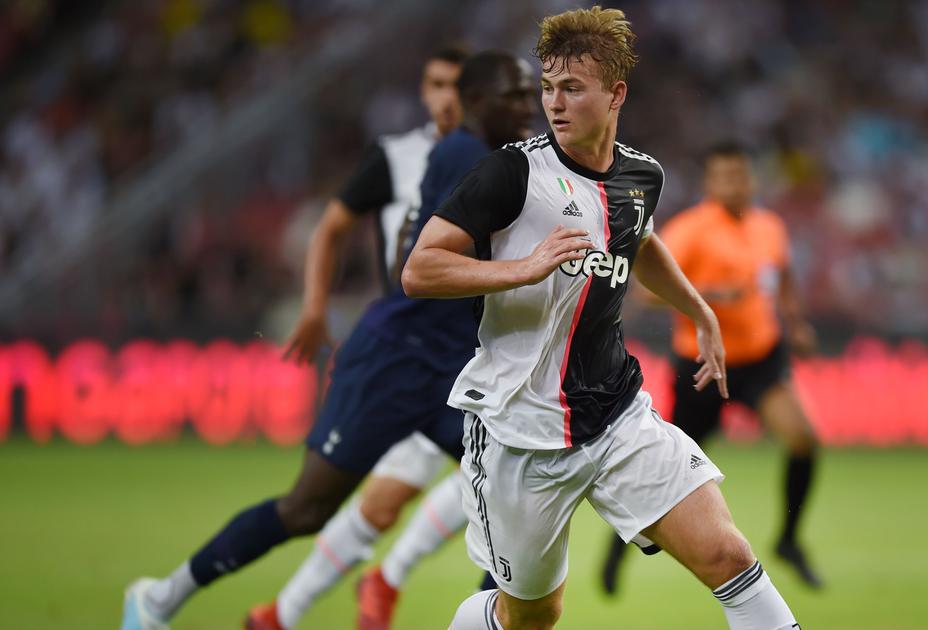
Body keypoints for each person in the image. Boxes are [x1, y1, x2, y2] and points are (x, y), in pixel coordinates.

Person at [404, 7, 800, 629]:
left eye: (572, 88)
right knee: (531, 617)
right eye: (548, 88)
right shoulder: (511, 174)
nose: (554, 103)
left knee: (727, 554)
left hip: (616, 412)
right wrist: (523, 268)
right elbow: (420, 269)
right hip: (520, 429)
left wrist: (697, 309)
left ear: (616, 93)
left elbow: (637, 241)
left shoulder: (643, 177)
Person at [120, 49, 537, 630]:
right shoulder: (464, 154)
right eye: (514, 95)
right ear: (473, 101)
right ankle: (160, 597)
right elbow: (404, 259)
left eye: (528, 93)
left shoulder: (478, 154)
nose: (528, 105)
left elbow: (409, 252)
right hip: (395, 360)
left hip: (454, 367)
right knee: (308, 508)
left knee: (508, 498)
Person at [600, 141, 823, 596]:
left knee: (802, 439)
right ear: (709, 183)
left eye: (740, 176)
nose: (733, 185)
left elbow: (782, 278)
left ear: (752, 179)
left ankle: (788, 540)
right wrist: (706, 297)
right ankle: (617, 549)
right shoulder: (690, 230)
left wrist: (795, 323)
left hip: (761, 357)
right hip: (704, 365)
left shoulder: (769, 227)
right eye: (723, 177)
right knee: (667, 471)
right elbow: (645, 291)